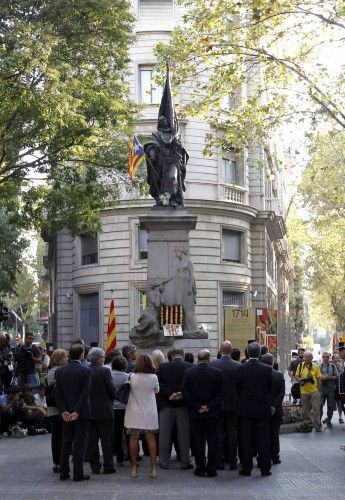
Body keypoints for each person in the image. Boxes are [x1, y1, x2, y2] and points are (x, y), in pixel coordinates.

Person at [182, 349, 223, 478]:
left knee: (198, 441)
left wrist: (198, 406)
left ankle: (200, 468)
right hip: (212, 413)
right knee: (213, 442)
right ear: (209, 358)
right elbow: (221, 394)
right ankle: (211, 469)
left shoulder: (189, 373)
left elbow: (185, 392)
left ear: (197, 359)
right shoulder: (218, 373)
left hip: (196, 413)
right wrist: (209, 406)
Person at [55, 344, 92, 482]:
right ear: (82, 354)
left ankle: (63, 472)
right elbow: (85, 393)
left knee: (66, 443)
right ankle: (78, 474)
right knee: (79, 444)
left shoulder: (60, 371)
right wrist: (76, 411)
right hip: (81, 413)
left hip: (66, 413)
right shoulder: (86, 371)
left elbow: (58, 393)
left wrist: (64, 411)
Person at [236, 341, 272, 477]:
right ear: (259, 353)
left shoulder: (240, 369)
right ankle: (265, 469)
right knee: (264, 439)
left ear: (247, 353)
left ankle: (246, 469)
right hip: (262, 409)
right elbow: (269, 389)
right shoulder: (267, 369)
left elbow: (237, 389)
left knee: (246, 440)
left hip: (245, 410)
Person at [124, 353, 159, 478]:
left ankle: (134, 468)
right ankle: (153, 468)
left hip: (134, 411)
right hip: (149, 411)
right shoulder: (153, 377)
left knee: (133, 438)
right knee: (150, 438)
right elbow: (156, 391)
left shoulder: (131, 376)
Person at [157, 348, 193, 470]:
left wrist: (169, 394)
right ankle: (185, 462)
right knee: (184, 435)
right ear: (182, 355)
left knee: (164, 435)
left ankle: (164, 462)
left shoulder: (162, 367)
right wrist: (181, 393)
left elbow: (159, 385)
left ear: (172, 356)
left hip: (166, 405)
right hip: (183, 406)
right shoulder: (190, 366)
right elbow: (190, 385)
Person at [87, 348, 117, 474]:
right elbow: (111, 390)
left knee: (92, 441)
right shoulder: (105, 371)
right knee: (107, 440)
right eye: (103, 356)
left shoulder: (85, 370)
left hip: (89, 410)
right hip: (104, 410)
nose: (104, 358)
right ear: (99, 358)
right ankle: (108, 465)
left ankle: (95, 467)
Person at [212, 341, 240, 470]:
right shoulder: (238, 366)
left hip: (217, 405)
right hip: (234, 405)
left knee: (218, 434)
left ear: (220, 350)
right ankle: (233, 461)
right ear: (231, 350)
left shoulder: (213, 365)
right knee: (232, 433)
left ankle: (219, 462)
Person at [46, 348, 68, 473]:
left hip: (51, 407)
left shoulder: (50, 371)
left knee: (55, 436)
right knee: (62, 436)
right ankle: (60, 462)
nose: (67, 359)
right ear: (59, 359)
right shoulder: (59, 371)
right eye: (65, 357)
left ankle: (55, 462)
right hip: (59, 408)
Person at [261, 353, 285, 465]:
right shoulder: (279, 376)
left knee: (262, 434)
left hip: (262, 410)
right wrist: (274, 406)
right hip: (276, 410)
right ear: (272, 363)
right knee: (274, 434)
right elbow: (281, 393)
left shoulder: (259, 375)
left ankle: (262, 457)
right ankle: (275, 457)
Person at [295, 351, 322, 433]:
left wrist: (319, 390)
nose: (306, 358)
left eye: (308, 357)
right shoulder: (300, 366)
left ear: (312, 358)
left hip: (314, 391)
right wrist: (299, 379)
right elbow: (296, 376)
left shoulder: (316, 366)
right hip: (304, 391)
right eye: (305, 357)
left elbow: (319, 378)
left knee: (316, 409)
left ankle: (317, 426)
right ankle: (308, 425)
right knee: (306, 410)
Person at [111, 355, 129, 466]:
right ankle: (131, 456)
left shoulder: (109, 375)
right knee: (128, 433)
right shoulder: (127, 376)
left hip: (113, 407)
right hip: (126, 408)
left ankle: (119, 459)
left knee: (116, 434)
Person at [319, 352, 337, 429]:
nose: (325, 358)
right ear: (322, 358)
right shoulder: (318, 366)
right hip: (321, 390)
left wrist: (328, 377)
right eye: (324, 357)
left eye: (327, 357)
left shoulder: (333, 366)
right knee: (320, 406)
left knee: (330, 407)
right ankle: (319, 421)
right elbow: (316, 377)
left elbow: (336, 376)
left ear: (329, 358)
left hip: (331, 389)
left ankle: (329, 421)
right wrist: (321, 378)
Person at [332, 353, 344, 423]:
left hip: (339, 387)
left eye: (338, 358)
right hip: (331, 387)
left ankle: (340, 417)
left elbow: (342, 373)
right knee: (331, 404)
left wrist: (338, 367)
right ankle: (329, 418)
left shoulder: (341, 365)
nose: (336, 359)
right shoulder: (330, 365)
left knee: (339, 403)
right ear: (332, 359)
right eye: (335, 358)